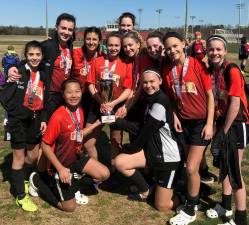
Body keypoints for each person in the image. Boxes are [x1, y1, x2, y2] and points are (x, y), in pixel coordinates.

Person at [162, 32, 214, 225]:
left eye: (175, 46)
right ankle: (196, 197)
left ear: (183, 44)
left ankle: (190, 209)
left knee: (191, 167)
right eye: (168, 48)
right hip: (183, 123)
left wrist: (209, 124)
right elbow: (172, 99)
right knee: (190, 166)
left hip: (201, 122)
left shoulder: (198, 65)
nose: (172, 50)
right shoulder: (167, 70)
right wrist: (175, 116)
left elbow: (210, 96)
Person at [113, 68, 181, 212]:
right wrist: (117, 121)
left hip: (167, 157)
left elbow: (145, 132)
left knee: (161, 206)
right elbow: (141, 126)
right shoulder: (150, 99)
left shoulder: (160, 101)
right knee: (120, 162)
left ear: (160, 81)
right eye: (145, 82)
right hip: (153, 151)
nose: (148, 85)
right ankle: (146, 190)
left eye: (152, 82)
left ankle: (187, 197)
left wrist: (130, 148)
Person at [39, 79, 110, 212]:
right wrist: (60, 169)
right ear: (62, 94)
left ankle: (73, 183)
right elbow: (45, 145)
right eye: (69, 92)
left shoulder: (79, 110)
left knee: (104, 173)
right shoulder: (58, 116)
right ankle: (37, 182)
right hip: (60, 165)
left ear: (82, 92)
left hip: (76, 158)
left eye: (77, 91)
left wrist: (96, 124)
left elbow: (77, 133)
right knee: (69, 207)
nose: (73, 95)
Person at [0, 40, 49, 212]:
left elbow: (46, 99)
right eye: (31, 55)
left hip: (35, 121)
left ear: (42, 56)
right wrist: (25, 113)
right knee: (19, 158)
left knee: (34, 155)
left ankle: (25, 179)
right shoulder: (18, 72)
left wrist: (42, 118)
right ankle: (20, 196)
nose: (34, 58)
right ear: (25, 56)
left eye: (37, 54)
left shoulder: (44, 72)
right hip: (18, 122)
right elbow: (5, 99)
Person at [205, 35, 248, 225]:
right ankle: (225, 205)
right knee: (224, 167)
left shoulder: (232, 70)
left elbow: (235, 104)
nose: (214, 52)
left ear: (224, 50)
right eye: (211, 49)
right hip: (224, 122)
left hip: (237, 124)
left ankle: (240, 218)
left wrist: (223, 132)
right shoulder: (214, 71)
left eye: (218, 49)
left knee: (235, 172)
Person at [7, 13, 76, 119]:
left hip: (64, 95)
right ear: (56, 27)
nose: (66, 32)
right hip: (50, 97)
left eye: (70, 29)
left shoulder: (70, 46)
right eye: (63, 28)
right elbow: (30, 57)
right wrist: (11, 67)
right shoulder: (48, 45)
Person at [85, 32, 132, 160]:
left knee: (115, 143)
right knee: (88, 142)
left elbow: (128, 89)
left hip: (115, 107)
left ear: (121, 46)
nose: (113, 48)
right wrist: (101, 102)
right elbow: (91, 84)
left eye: (117, 45)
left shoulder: (126, 64)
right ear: (105, 45)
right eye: (110, 45)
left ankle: (113, 172)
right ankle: (95, 171)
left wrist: (113, 104)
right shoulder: (97, 61)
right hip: (98, 105)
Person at [73, 26, 103, 122]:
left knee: (90, 126)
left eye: (94, 39)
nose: (91, 42)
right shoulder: (75, 53)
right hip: (78, 96)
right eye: (88, 39)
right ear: (84, 39)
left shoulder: (102, 57)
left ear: (99, 41)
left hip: (95, 96)